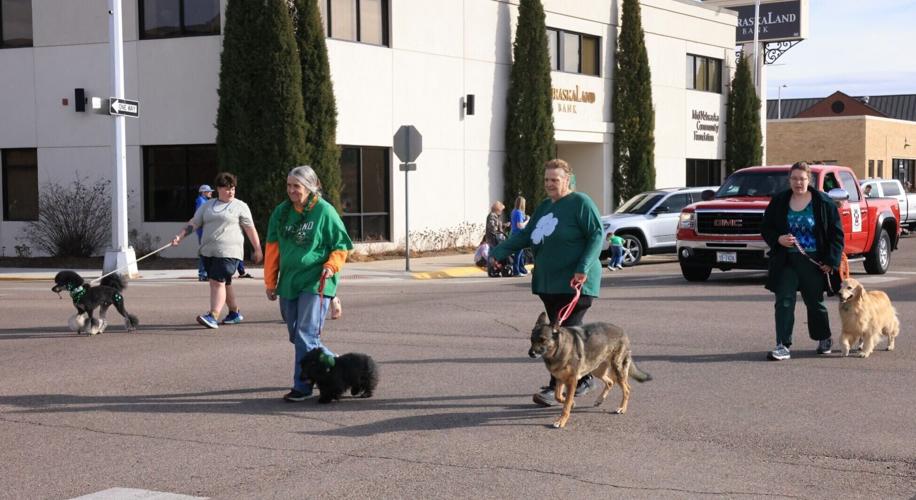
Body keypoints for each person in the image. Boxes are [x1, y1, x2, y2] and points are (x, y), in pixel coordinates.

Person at [490, 158, 604, 406]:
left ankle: (561, 388)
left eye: (555, 180)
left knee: (563, 335)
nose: (550, 184)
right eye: (547, 180)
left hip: (576, 282)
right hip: (549, 284)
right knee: (559, 333)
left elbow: (597, 235)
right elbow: (524, 236)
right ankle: (581, 378)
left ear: (567, 180)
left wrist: (582, 268)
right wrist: (497, 254)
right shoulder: (544, 207)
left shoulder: (580, 203)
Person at [264, 165, 353, 402]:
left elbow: (341, 246)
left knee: (305, 335)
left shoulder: (324, 211)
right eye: (289, 185)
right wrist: (270, 281)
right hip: (289, 282)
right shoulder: (281, 212)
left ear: (310, 187)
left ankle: (302, 386)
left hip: (317, 281)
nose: (292, 190)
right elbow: (272, 249)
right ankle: (332, 360)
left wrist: (331, 266)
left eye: (297, 186)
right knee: (297, 335)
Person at [760, 161, 844, 361]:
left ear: (810, 180)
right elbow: (766, 227)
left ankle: (823, 337)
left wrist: (831, 261)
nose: (798, 183)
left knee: (815, 303)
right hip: (786, 260)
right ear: (789, 180)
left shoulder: (823, 203)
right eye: (794, 179)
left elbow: (837, 235)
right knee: (784, 301)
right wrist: (778, 239)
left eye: (802, 179)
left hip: (814, 261)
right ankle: (782, 344)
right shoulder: (779, 201)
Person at [172, 173, 263, 329]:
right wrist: (180, 236)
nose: (230, 192)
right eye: (227, 189)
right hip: (208, 252)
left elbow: (250, 228)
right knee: (224, 283)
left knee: (216, 282)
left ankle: (213, 315)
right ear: (218, 189)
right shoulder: (207, 205)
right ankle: (234, 313)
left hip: (229, 251)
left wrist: (258, 249)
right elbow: (194, 223)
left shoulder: (240, 206)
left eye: (233, 189)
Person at [194, 185, 214, 281]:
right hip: (203, 231)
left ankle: (205, 273)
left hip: (204, 230)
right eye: (208, 191)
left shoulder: (203, 201)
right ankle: (203, 274)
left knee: (206, 252)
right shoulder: (202, 202)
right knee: (204, 252)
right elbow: (202, 217)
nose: (211, 193)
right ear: (203, 192)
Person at [509, 196, 530, 276]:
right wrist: (527, 220)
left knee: (521, 254)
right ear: (522, 204)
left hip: (514, 234)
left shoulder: (514, 211)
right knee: (518, 254)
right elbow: (520, 226)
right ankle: (516, 272)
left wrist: (524, 219)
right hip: (519, 235)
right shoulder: (519, 212)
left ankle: (521, 269)